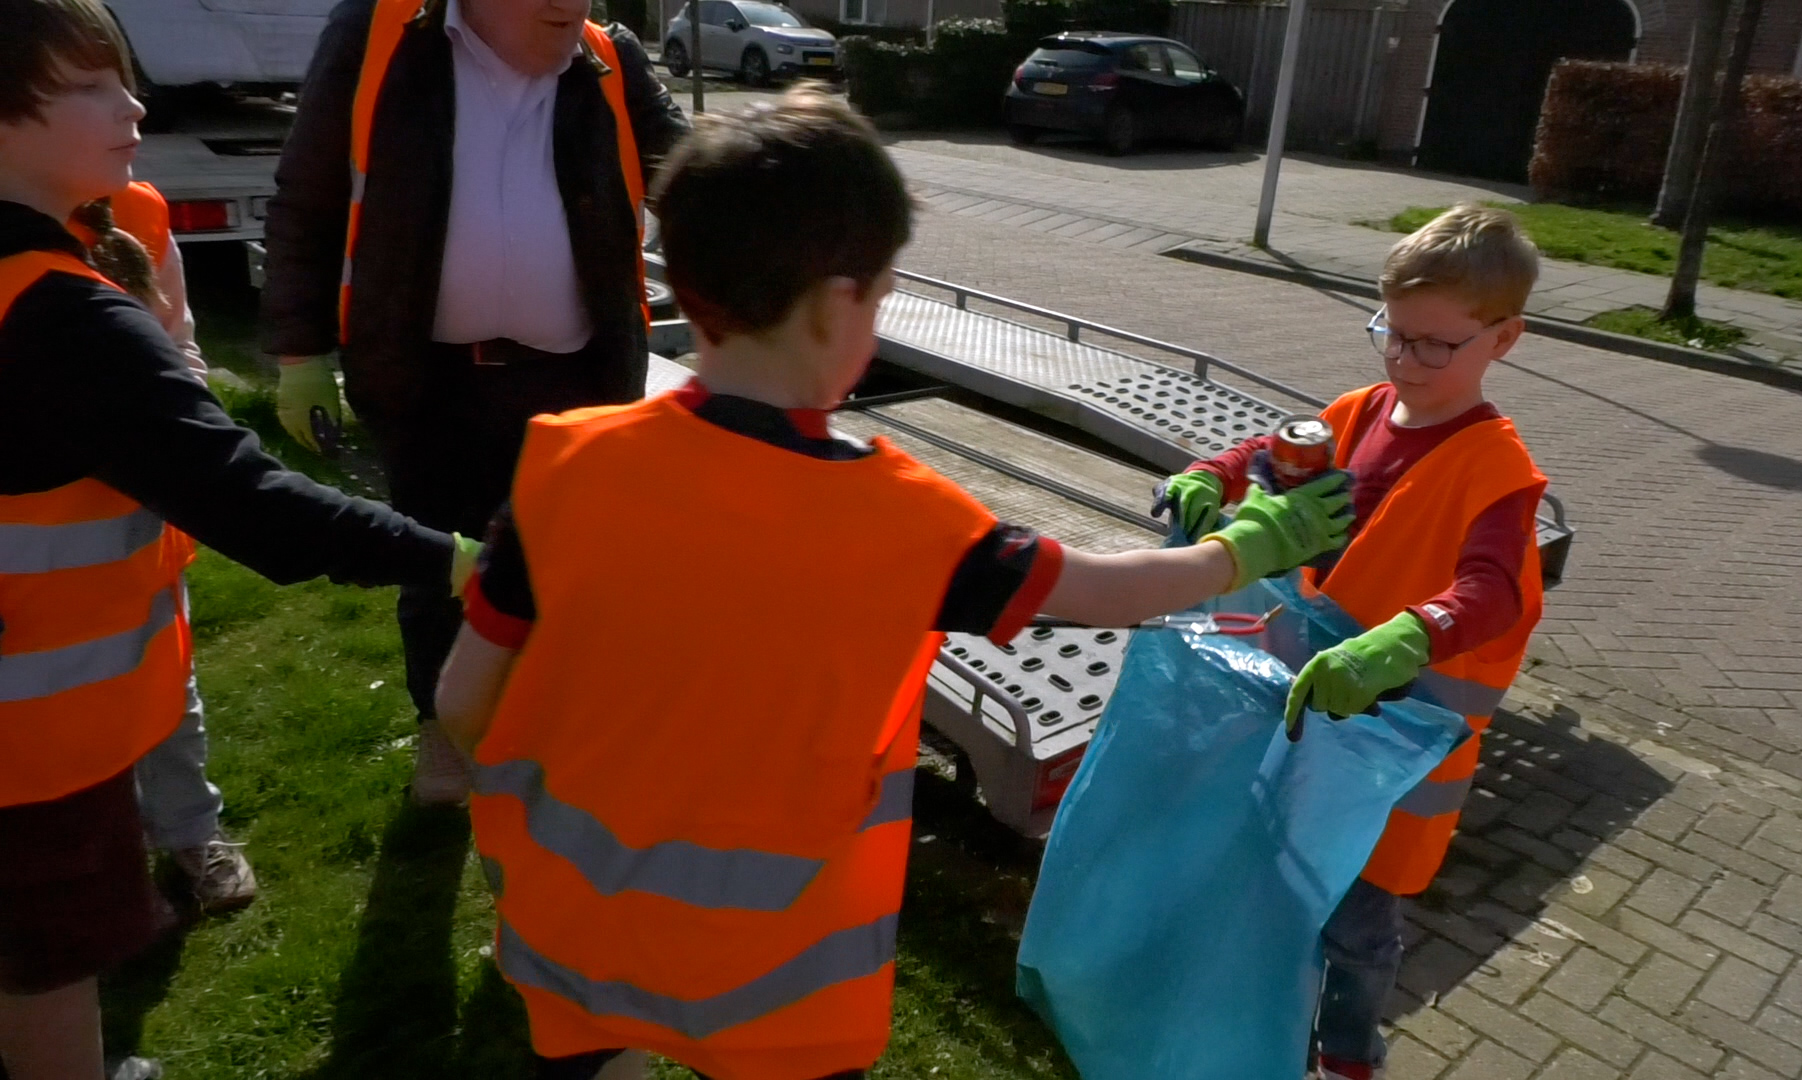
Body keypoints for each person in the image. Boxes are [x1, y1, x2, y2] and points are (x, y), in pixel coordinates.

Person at [432, 87, 1354, 1080]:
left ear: (688, 284)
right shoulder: (907, 522)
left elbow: (462, 701)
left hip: (582, 945)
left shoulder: (565, 466)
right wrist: (1251, 547)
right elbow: (1105, 592)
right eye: (880, 293)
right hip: (778, 988)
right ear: (839, 306)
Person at [0, 2, 480, 1076]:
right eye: (86, 86)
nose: (131, 104)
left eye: (123, 77)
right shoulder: (63, 322)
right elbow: (253, 501)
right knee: (48, 965)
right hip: (31, 744)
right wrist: (455, 558)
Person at [1156, 204, 1549, 1080]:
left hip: (1390, 744)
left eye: (1434, 345)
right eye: (1392, 333)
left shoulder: (1498, 470)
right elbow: (1266, 452)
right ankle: (1277, 1022)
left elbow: (1495, 591)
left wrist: (1404, 640)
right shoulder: (1361, 410)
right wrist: (1203, 475)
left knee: (1360, 921)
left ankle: (1347, 1051)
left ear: (1504, 339)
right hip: (1306, 707)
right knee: (1287, 884)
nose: (1404, 361)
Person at [264, 0, 688, 803]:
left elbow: (703, 181)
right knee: (434, 570)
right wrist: (299, 350)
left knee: (571, 574)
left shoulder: (608, 59)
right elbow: (308, 191)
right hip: (426, 380)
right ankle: (444, 739)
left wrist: (793, 192)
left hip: (574, 385)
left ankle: (556, 739)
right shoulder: (379, 35)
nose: (572, 4)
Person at [69, 182, 257, 914]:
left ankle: (189, 833)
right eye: (90, 88)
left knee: (165, 683)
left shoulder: (141, 211)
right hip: (33, 540)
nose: (132, 108)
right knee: (62, 707)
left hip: (139, 519)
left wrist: (182, 411)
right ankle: (103, 866)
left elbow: (180, 342)